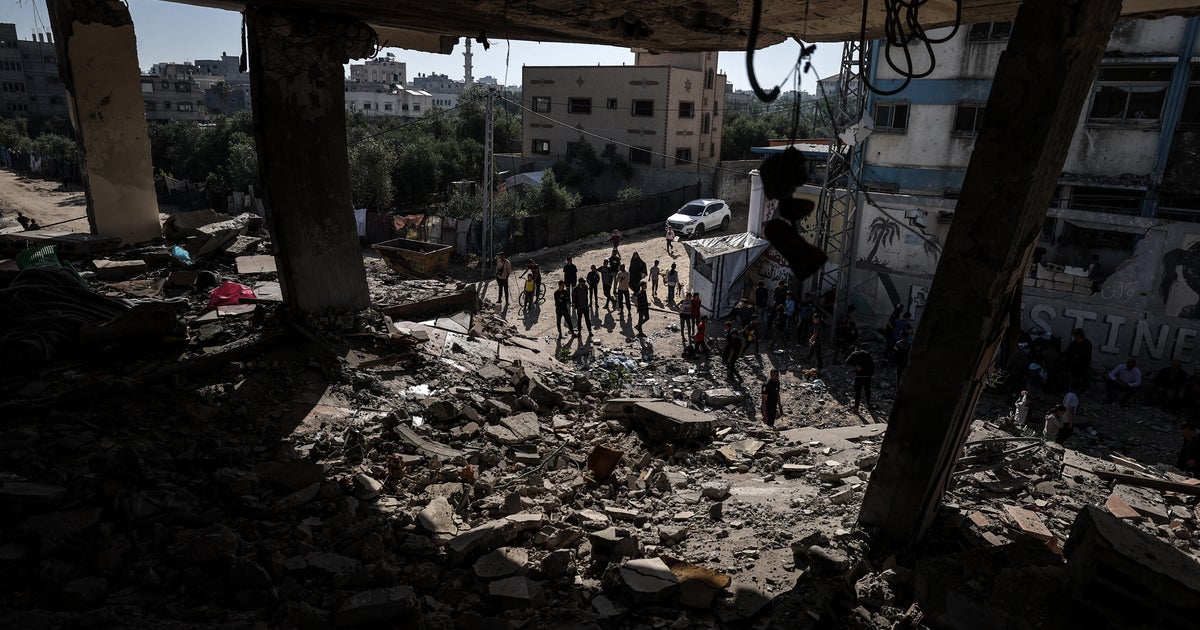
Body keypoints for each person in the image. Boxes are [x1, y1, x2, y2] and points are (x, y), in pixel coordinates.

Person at [845, 346, 875, 413]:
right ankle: (868, 405)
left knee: (858, 392)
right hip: (868, 376)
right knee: (867, 391)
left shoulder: (855, 353)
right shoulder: (867, 354)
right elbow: (872, 365)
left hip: (859, 376)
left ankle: (856, 408)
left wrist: (856, 365)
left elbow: (847, 361)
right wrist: (871, 373)